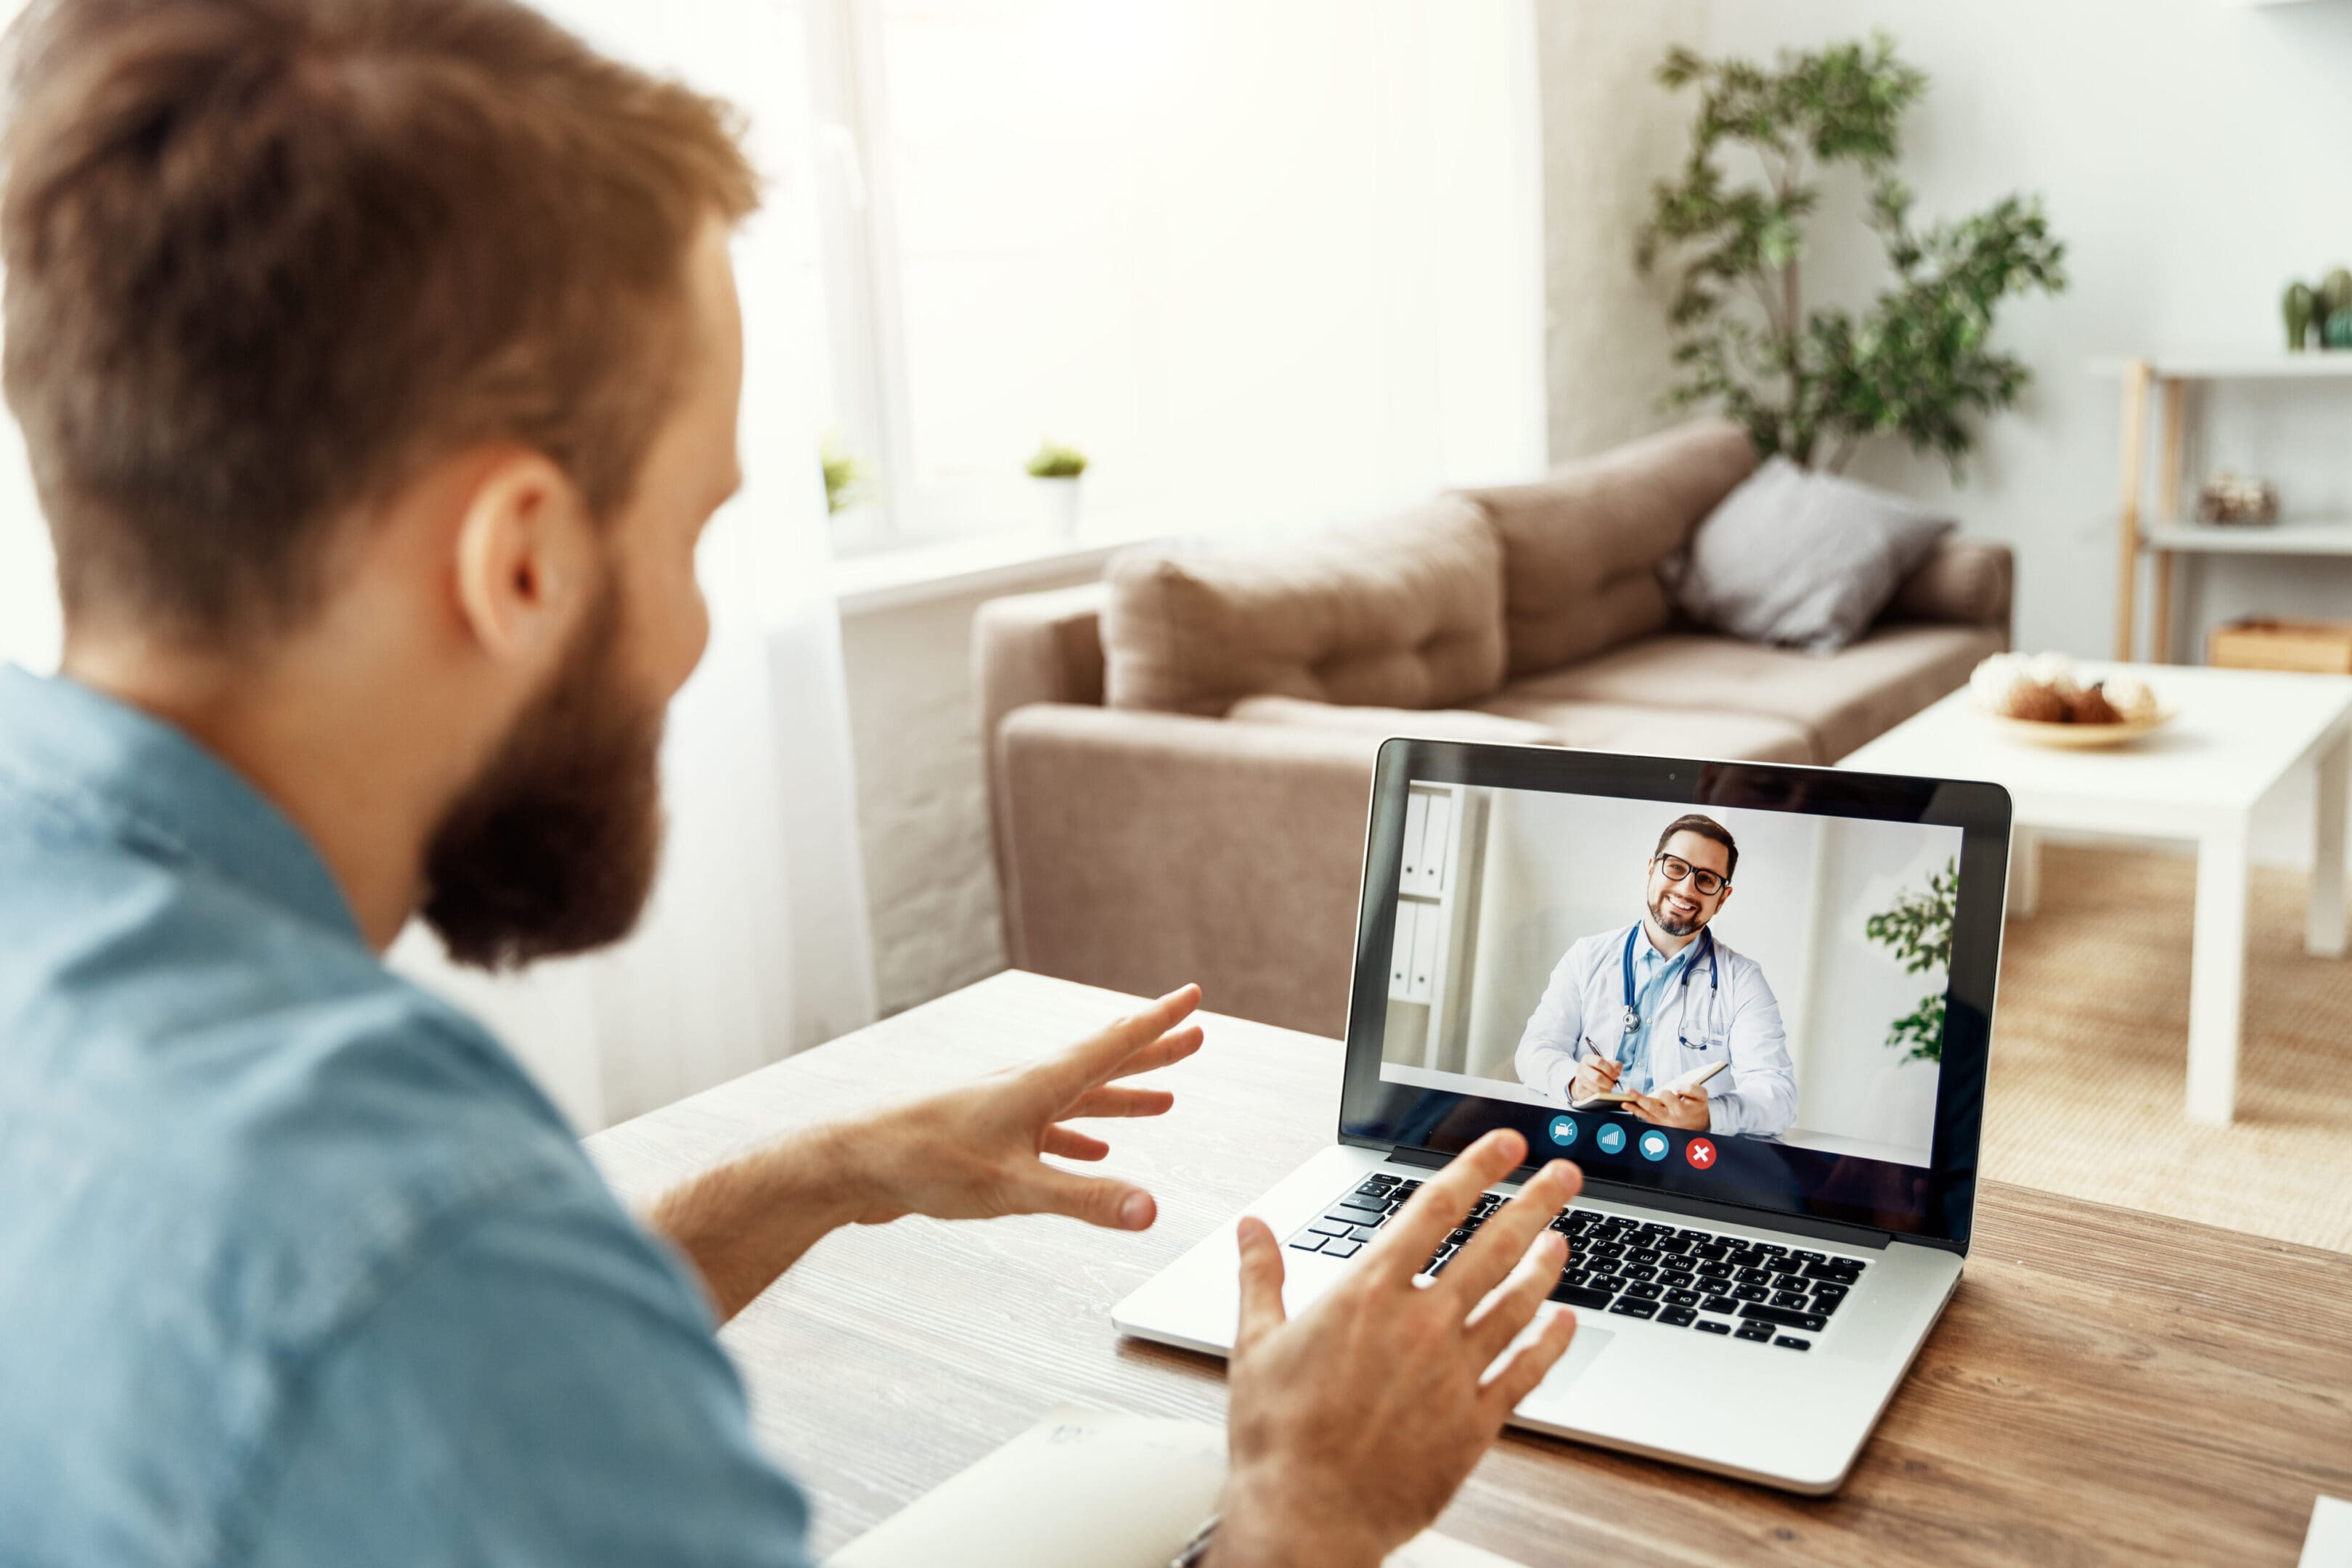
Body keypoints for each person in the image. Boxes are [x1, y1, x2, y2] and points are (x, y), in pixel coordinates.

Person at [0, 3, 1583, 1564]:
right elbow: (431, 1318)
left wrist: (832, 1174)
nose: (693, 637)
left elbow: (450, 1364)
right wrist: (1309, 1526)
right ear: (523, 562)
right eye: (694, 533)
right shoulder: (415, 1244)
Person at [1514, 814, 1797, 1137]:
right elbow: (1534, 1051)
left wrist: (1709, 1115)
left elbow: (1779, 1098)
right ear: (1651, 868)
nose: (1686, 888)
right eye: (1676, 867)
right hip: (1580, 1143)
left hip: (1678, 1163)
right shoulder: (1586, 957)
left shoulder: (1743, 981)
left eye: (1706, 880)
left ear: (1722, 898)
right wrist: (1574, 1080)